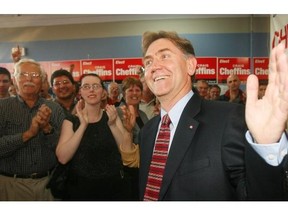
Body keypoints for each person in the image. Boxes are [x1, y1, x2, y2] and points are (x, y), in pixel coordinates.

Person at [118, 31, 288, 200]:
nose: (154, 67)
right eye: (148, 62)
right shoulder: (147, 132)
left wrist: (267, 146)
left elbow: (257, 197)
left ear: (190, 65)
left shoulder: (227, 119)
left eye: (164, 56)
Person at [55, 73, 129, 201]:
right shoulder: (71, 121)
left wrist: (112, 125)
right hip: (80, 190)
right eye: (86, 86)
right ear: (80, 93)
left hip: (113, 188)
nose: (91, 90)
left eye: (96, 86)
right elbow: (62, 158)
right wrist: (83, 125)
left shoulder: (112, 115)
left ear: (103, 92)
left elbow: (127, 153)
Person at [0, 58, 65, 200]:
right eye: (23, 74)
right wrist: (28, 134)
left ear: (42, 81)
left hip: (47, 185)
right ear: (15, 79)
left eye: (35, 76)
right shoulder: (2, 108)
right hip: (10, 185)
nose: (29, 79)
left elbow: (63, 151)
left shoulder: (54, 108)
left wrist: (47, 129)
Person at [117, 76, 149, 200]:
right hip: (126, 170)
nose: (135, 93)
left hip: (142, 167)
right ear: (123, 94)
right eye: (130, 90)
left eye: (137, 90)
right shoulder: (118, 113)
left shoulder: (143, 114)